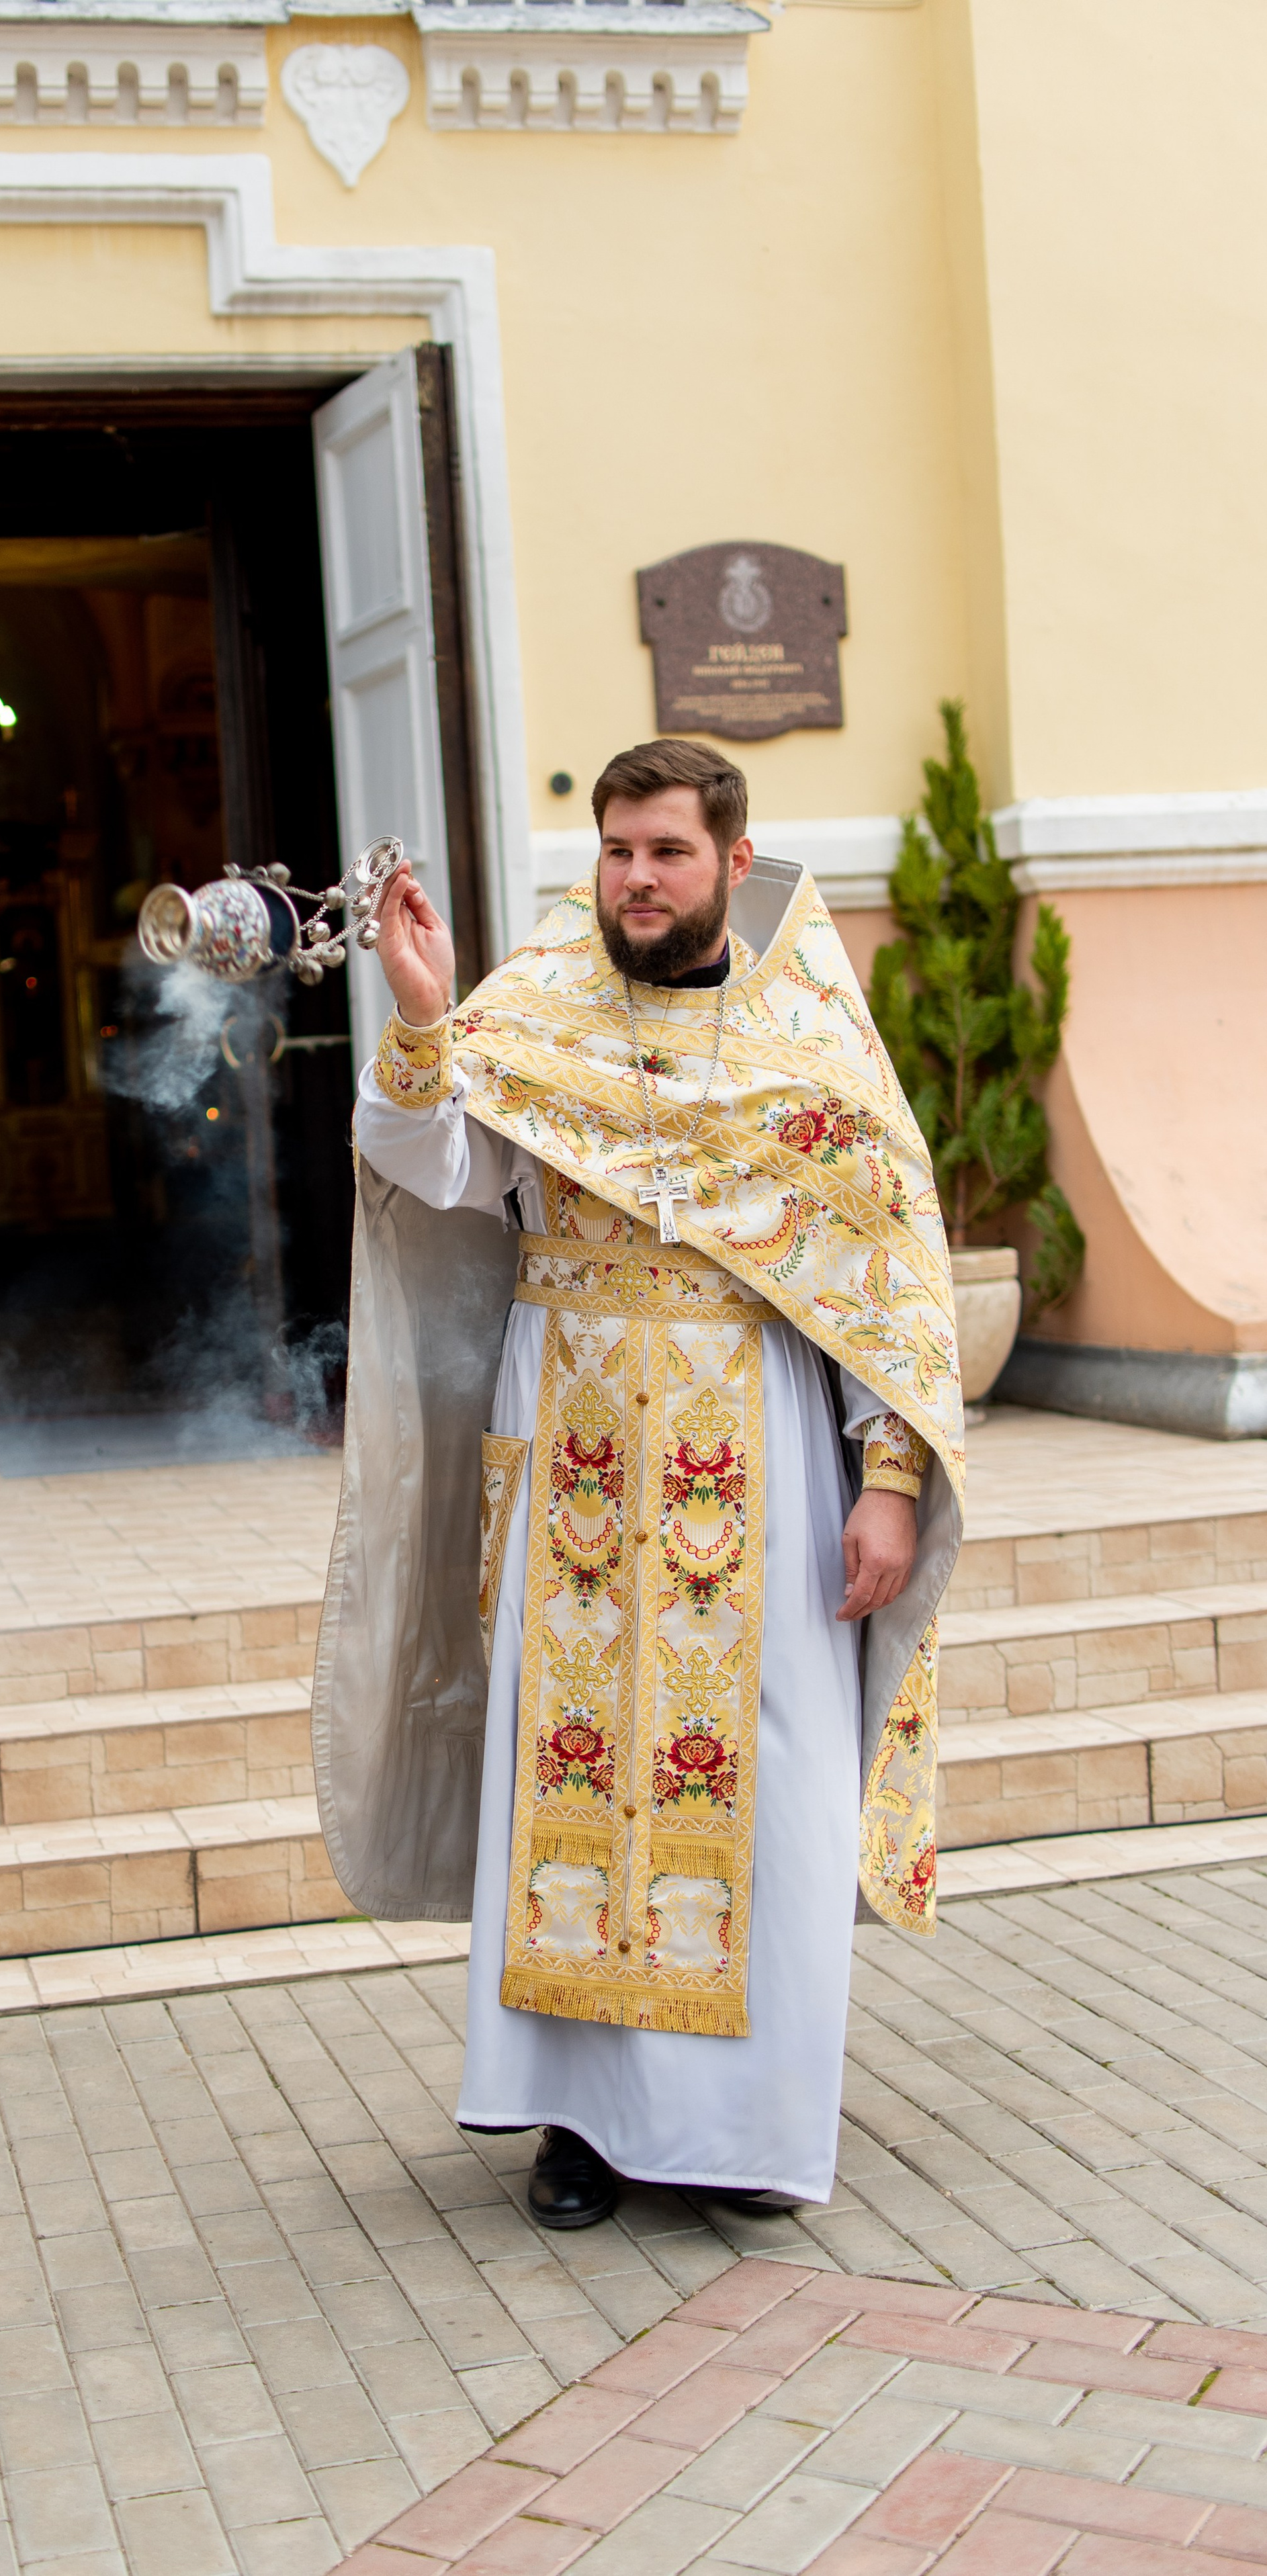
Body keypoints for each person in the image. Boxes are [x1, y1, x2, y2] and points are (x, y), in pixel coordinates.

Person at [312, 738, 963, 2229]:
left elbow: (882, 1276)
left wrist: (890, 1479)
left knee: (769, 1795)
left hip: (762, 1473)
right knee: (569, 1787)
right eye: (615, 852)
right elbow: (424, 1165)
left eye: (665, 852)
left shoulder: (810, 1048)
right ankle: (576, 2133)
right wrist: (421, 1020)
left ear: (732, 861)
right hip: (579, 1483)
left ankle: (745, 2137)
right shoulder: (530, 1013)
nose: (636, 879)